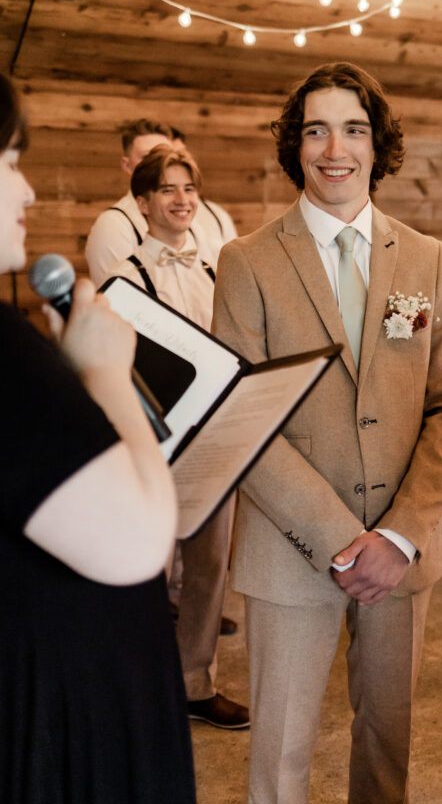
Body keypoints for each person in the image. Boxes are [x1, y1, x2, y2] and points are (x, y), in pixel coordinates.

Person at [212, 61, 442, 804]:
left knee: (387, 740)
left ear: (377, 143)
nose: (335, 148)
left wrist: (396, 537)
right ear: (295, 145)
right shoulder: (247, 262)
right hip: (288, 548)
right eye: (316, 129)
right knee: (280, 753)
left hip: (403, 551)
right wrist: (336, 535)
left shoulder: (427, 259)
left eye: (354, 129)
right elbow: (240, 415)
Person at [0, 76, 196, 802]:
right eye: (11, 162)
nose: (25, 194)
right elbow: (138, 541)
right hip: (56, 726)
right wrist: (109, 376)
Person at [106, 145, 248, 731]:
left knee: (210, 564)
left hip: (215, 434)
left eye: (188, 188)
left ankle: (195, 681)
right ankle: (133, 686)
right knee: (146, 567)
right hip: (154, 442)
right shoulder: (123, 278)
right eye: (167, 189)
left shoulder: (220, 265)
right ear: (142, 202)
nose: (181, 199)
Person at [85, 119, 237, 286]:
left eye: (164, 154)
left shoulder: (189, 222)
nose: (159, 164)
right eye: (147, 157)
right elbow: (117, 297)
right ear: (127, 166)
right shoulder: (113, 224)